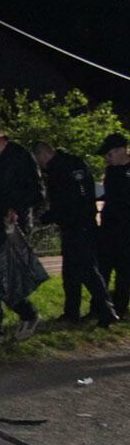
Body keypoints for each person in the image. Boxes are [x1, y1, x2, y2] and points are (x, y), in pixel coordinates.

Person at [0, 117, 44, 344]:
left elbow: (37, 192)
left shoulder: (18, 156)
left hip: (12, 226)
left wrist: (16, 208)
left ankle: (27, 314)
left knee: (2, 276)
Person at [31, 141, 117, 326]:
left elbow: (67, 202)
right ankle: (72, 312)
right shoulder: (72, 163)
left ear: (42, 155)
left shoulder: (60, 170)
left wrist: (46, 217)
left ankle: (106, 310)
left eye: (37, 160)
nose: (39, 165)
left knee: (88, 271)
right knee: (71, 272)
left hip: (77, 226)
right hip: (79, 225)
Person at [98, 133, 130, 317]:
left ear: (121, 151)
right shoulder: (111, 172)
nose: (107, 159)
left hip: (127, 228)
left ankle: (120, 307)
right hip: (109, 227)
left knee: (124, 271)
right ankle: (101, 307)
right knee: (103, 268)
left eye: (110, 154)